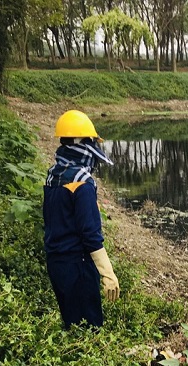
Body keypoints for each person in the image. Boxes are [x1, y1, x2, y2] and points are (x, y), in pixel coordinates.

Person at [43, 109, 120, 329]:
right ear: (84, 145)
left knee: (71, 322)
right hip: (78, 265)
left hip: (56, 262)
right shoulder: (82, 183)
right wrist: (108, 273)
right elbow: (90, 234)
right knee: (89, 327)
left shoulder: (52, 175)